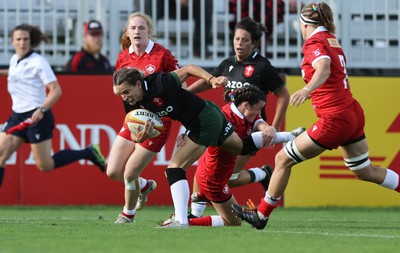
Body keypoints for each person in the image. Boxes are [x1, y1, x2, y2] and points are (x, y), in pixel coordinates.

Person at [232, 2, 400, 230]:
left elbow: (323, 68)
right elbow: (330, 74)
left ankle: (261, 215)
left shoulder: (314, 42)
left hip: (335, 117)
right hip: (351, 112)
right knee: (364, 170)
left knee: (283, 159)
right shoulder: (331, 39)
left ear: (305, 24)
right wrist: (316, 90)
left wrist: (307, 90)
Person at [113, 65, 279, 228]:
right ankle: (289, 138)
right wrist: (140, 137)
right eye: (119, 93)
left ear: (138, 84)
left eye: (126, 91)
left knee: (175, 169)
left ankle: (181, 220)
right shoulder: (132, 103)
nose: (124, 97)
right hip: (209, 115)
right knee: (240, 147)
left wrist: (211, 79)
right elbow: (134, 132)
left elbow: (188, 69)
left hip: (203, 119)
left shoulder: (160, 83)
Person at [187, 16, 290, 217]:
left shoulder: (262, 67)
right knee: (204, 167)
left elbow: (283, 95)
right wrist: (186, 94)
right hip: (224, 127)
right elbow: (210, 82)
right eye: (236, 39)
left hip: (247, 131)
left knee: (227, 178)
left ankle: (263, 174)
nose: (239, 44)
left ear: (253, 43)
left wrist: (274, 126)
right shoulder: (228, 64)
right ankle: (194, 214)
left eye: (244, 40)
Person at [160, 86, 304, 227]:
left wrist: (268, 129)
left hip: (212, 171)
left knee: (231, 182)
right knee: (233, 222)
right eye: (259, 108)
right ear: (246, 105)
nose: (259, 113)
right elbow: (243, 145)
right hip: (213, 177)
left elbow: (258, 121)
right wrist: (287, 136)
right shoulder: (226, 117)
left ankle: (187, 217)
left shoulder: (242, 112)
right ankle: (183, 222)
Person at [0, 24, 106, 188]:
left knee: (45, 165)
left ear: (31, 41)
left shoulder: (39, 62)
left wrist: (41, 109)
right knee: (0, 156)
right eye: (18, 39)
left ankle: (88, 152)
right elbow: (17, 72)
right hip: (18, 116)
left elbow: (56, 90)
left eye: (25, 39)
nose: (22, 43)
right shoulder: (15, 60)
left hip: (37, 116)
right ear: (12, 42)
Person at [106, 12, 180, 224]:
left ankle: (127, 215)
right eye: (133, 28)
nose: (137, 31)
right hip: (133, 119)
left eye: (141, 28)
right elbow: (116, 87)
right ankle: (145, 186)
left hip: (157, 122)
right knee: (113, 171)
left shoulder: (162, 54)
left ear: (148, 31)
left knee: (129, 173)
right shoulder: (123, 57)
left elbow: (180, 83)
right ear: (127, 33)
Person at [144, 0, 213, 57]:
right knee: (152, 3)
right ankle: (147, 46)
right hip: (167, 5)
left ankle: (199, 48)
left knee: (206, 3)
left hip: (191, 5)